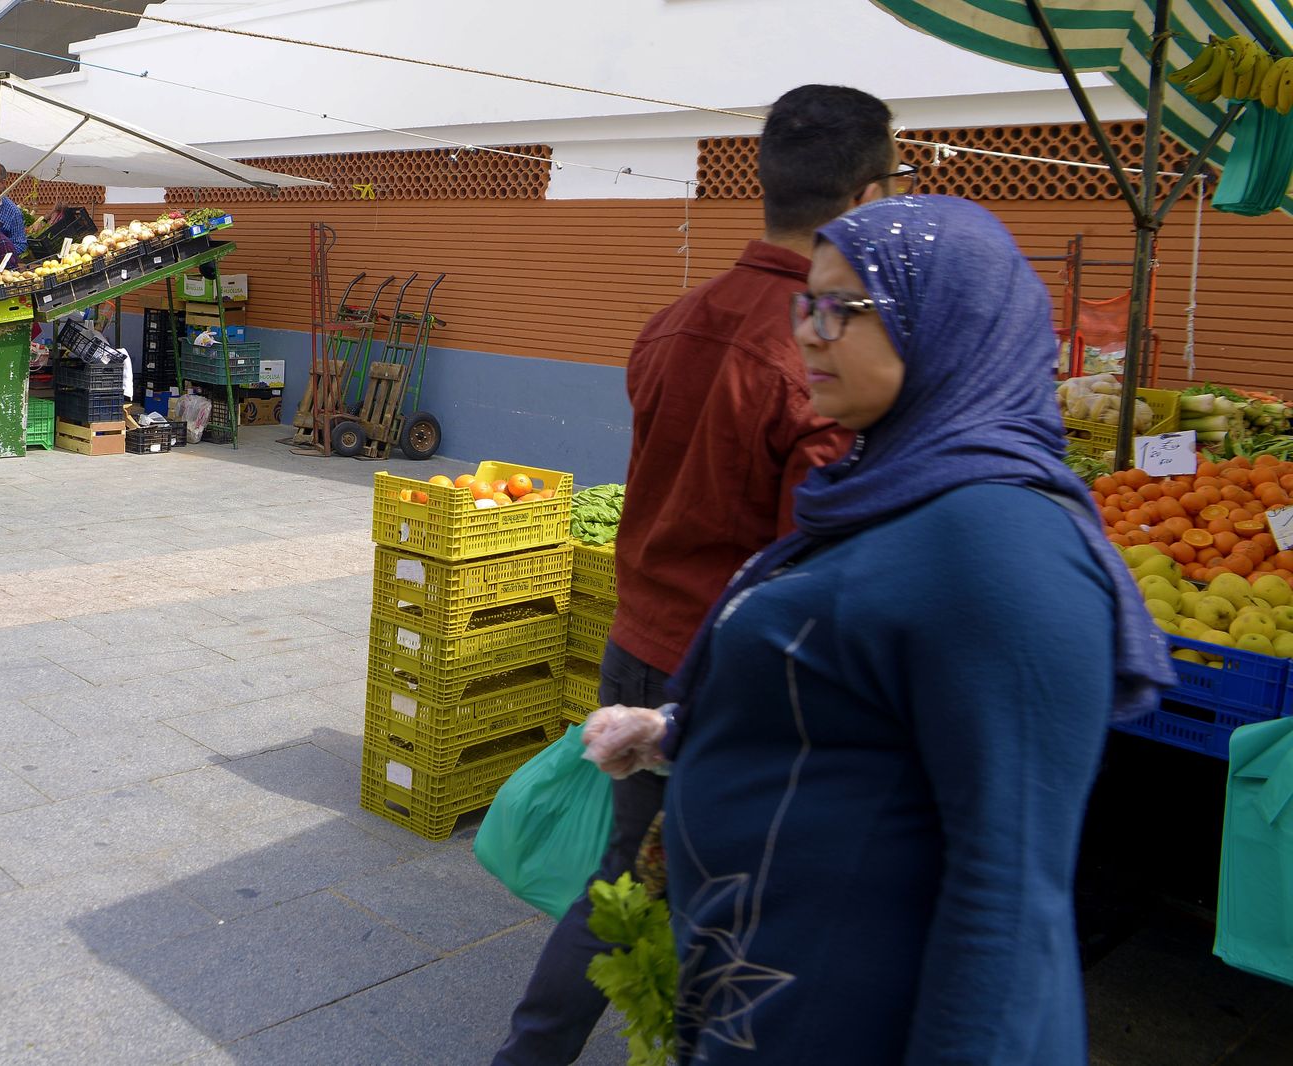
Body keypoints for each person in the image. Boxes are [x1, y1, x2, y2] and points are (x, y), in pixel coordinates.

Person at [582, 196, 1176, 1065]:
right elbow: (855, 695)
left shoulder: (1002, 549)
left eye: (844, 308)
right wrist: (681, 732)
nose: (811, 333)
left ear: (947, 318)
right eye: (805, 305)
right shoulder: (884, 487)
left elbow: (1005, 906)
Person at [493, 84, 901, 1065]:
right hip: (724, 671)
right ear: (871, 194)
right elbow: (808, 549)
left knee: (625, 881)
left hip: (639, 641)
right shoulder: (818, 349)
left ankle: (533, 1050)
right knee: (729, 891)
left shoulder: (673, 320)